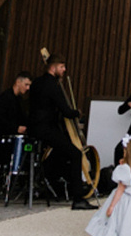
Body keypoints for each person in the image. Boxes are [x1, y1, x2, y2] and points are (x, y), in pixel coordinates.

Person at [32, 57, 93, 206]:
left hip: (34, 128)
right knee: (76, 154)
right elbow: (65, 111)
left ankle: (48, 177)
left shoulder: (36, 83)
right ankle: (78, 198)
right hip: (47, 129)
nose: (64, 70)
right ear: (53, 68)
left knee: (61, 151)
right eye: (61, 67)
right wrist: (77, 113)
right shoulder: (53, 86)